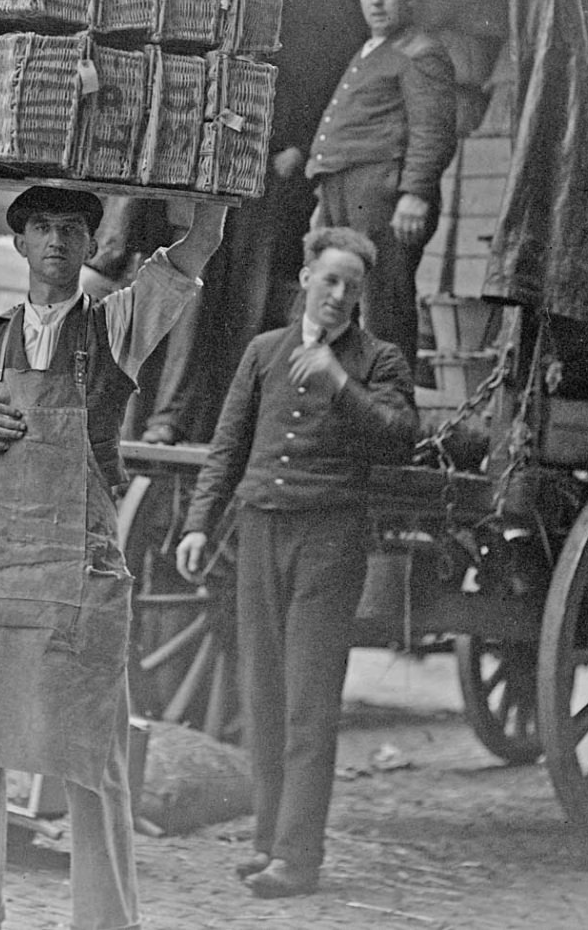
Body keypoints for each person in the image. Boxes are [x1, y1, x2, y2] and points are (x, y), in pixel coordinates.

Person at [0, 184, 226, 930]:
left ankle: (105, 921)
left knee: (94, 761)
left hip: (73, 573)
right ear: (19, 243)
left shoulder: (115, 325)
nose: (56, 240)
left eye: (73, 229)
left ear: (93, 245)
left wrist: (207, 186)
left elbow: (196, 250)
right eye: (43, 227)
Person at [176, 227, 417, 899]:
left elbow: (401, 437)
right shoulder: (264, 352)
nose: (339, 295)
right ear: (307, 276)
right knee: (264, 696)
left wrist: (341, 381)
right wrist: (200, 524)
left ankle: (299, 857)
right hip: (258, 532)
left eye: (352, 287)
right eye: (330, 279)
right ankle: (266, 842)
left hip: (329, 540)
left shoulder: (380, 360)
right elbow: (228, 447)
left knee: (309, 704)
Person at [273, 0, 457, 372]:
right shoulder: (371, 50)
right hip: (341, 191)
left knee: (382, 307)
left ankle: (388, 416)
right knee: (327, 299)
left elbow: (433, 130)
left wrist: (415, 194)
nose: (376, 1)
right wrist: (325, 189)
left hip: (381, 192)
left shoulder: (420, 51)